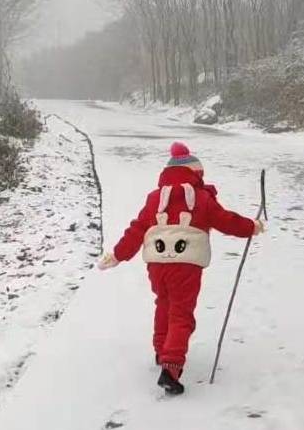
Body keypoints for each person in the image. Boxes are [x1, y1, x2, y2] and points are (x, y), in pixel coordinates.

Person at [98, 142, 265, 395]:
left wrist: (119, 254)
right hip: (186, 265)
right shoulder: (202, 198)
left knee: (163, 304)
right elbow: (226, 220)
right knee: (181, 313)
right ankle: (171, 368)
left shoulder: (155, 199)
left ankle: (160, 350)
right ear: (196, 173)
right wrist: (251, 227)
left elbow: (137, 228)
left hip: (157, 264)